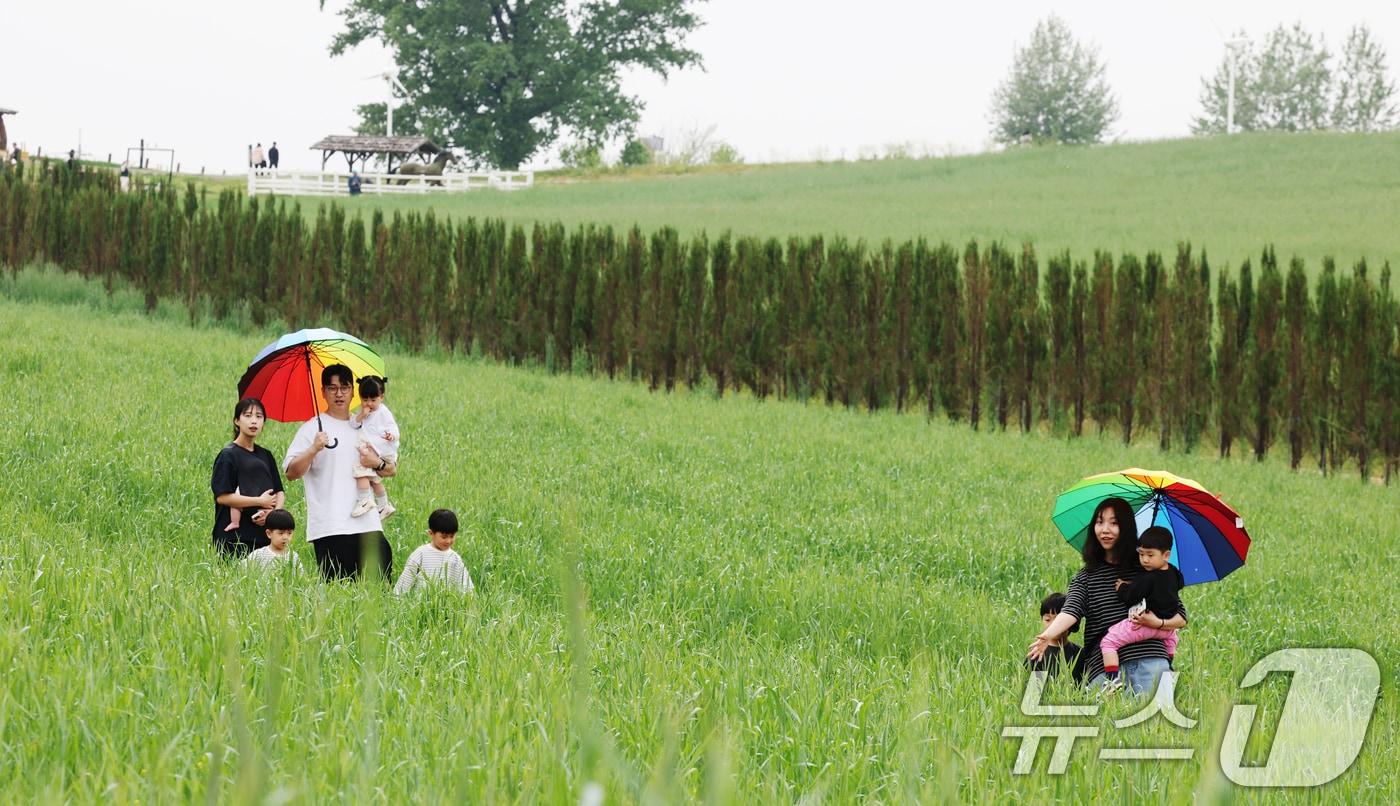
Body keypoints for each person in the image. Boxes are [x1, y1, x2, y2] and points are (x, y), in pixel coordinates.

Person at [1027, 497, 1188, 696]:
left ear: (1127, 528)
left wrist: (1158, 622)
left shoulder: (1148, 570)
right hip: (1104, 670)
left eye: (1114, 523)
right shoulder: (1086, 577)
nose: (1105, 529)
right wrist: (1048, 635)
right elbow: (1071, 611)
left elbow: (1179, 616)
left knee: (1154, 726)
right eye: (1100, 522)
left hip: (1149, 661)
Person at [284, 364, 395, 581]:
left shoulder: (365, 425)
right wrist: (313, 449)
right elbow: (291, 472)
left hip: (368, 524)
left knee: (380, 587)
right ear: (323, 392)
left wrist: (377, 462)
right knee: (339, 595)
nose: (339, 394)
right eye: (332, 388)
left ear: (353, 392)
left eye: (344, 388)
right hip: (331, 527)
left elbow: (391, 469)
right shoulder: (311, 429)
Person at [1099, 526, 1183, 691]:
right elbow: (1171, 587)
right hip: (1167, 630)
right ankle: (1169, 669)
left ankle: (1112, 680)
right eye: (1141, 554)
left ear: (1166, 555)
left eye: (1150, 555)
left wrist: (1122, 587)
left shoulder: (1148, 578)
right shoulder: (1175, 573)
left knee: (1108, 642)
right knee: (1172, 641)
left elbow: (1131, 596)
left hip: (1144, 625)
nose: (1144, 560)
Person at [211, 397, 285, 557]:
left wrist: (273, 516)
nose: (254, 421)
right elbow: (222, 497)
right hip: (234, 537)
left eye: (259, 416)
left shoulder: (266, 455)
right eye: (248, 415)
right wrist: (259, 501)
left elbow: (279, 491)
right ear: (237, 421)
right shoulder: (228, 455)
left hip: (264, 537)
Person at [350, 375, 399, 519]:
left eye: (373, 400)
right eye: (365, 400)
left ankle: (364, 499)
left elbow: (393, 428)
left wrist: (391, 435)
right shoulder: (365, 412)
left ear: (381, 397)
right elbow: (354, 424)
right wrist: (361, 416)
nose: (369, 403)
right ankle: (384, 505)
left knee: (360, 471)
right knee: (374, 480)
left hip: (383, 451)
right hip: (378, 451)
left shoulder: (383, 412)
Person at [394, 509, 475, 595]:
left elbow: (466, 587)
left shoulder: (454, 558)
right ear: (431, 533)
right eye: (444, 537)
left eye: (452, 536)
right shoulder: (421, 554)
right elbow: (405, 581)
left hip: (446, 605)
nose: (448, 541)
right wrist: (397, 598)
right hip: (421, 605)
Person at [1023, 592, 1081, 678]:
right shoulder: (1038, 655)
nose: (1052, 625)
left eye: (1058, 620)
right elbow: (1034, 690)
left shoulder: (1079, 654)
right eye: (1047, 619)